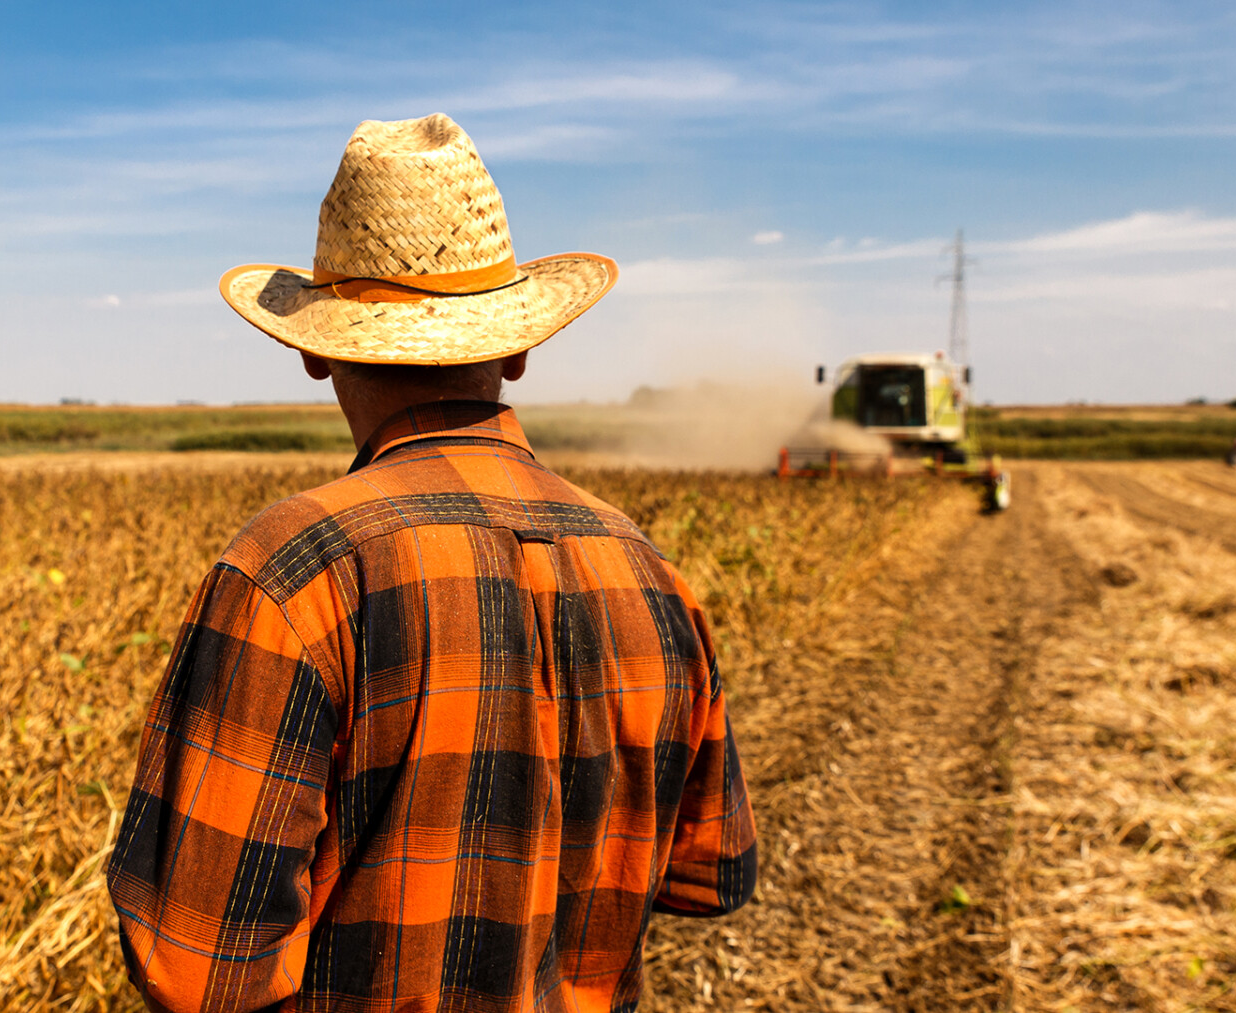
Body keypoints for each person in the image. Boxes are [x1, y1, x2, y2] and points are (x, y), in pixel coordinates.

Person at [107, 113, 756, 1012]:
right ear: (521, 347)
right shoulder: (649, 572)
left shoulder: (295, 572)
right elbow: (712, 872)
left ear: (313, 349)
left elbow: (197, 962)